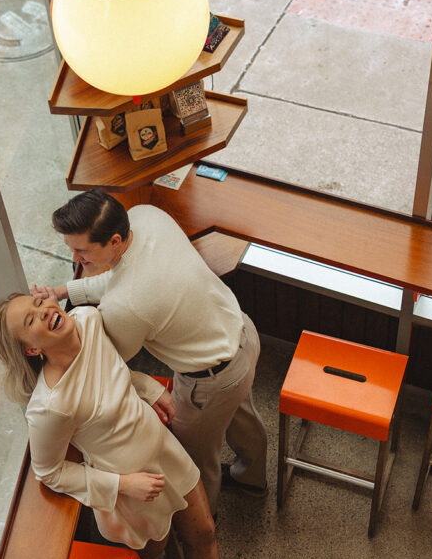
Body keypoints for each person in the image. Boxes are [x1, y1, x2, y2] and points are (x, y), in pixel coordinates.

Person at [0, 292, 277, 559]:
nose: (44, 312)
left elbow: (114, 372)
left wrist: (147, 387)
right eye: (30, 320)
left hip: (166, 453)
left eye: (38, 304)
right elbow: (49, 471)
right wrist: (124, 485)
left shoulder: (88, 320)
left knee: (203, 532)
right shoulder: (49, 407)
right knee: (152, 554)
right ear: (31, 350)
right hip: (130, 489)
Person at [31, 189, 268, 513]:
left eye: (81, 250)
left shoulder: (126, 306)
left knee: (197, 460)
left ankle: (204, 519)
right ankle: (253, 480)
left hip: (209, 382)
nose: (75, 259)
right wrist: (61, 291)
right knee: (243, 415)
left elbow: (109, 360)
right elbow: (122, 278)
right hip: (242, 333)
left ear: (114, 241)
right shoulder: (146, 216)